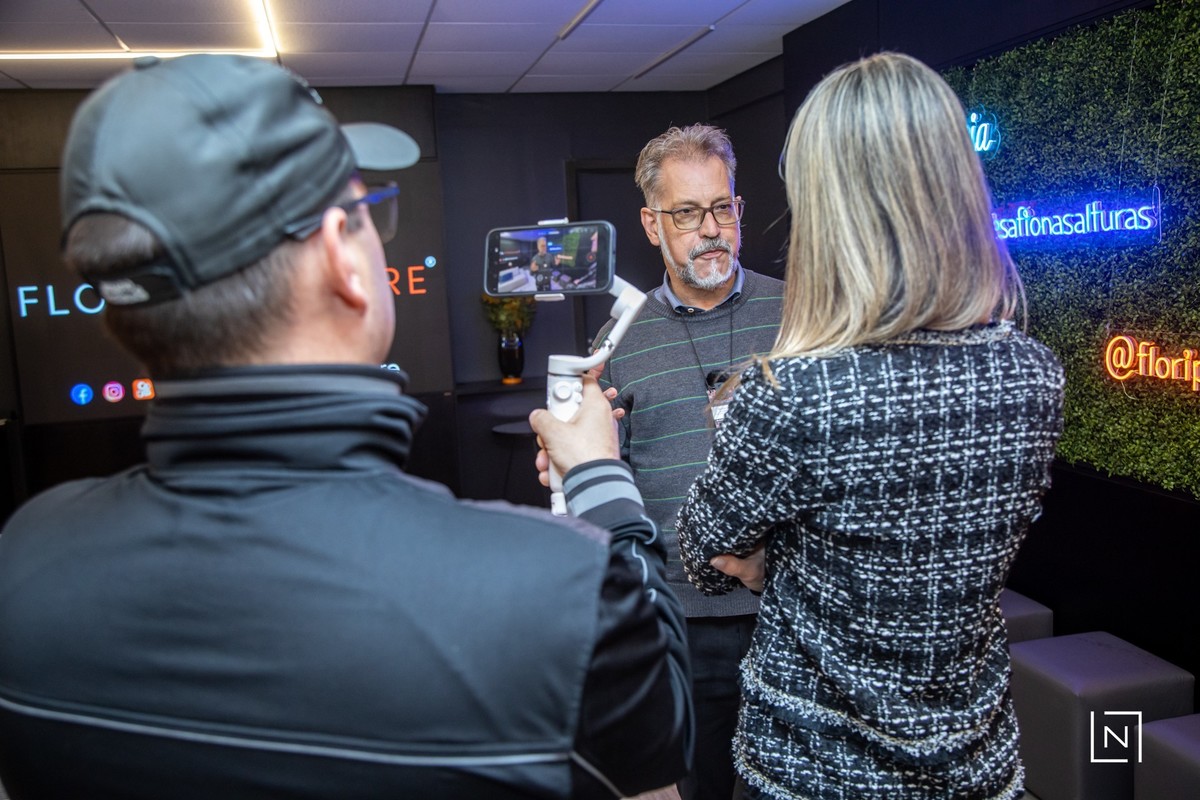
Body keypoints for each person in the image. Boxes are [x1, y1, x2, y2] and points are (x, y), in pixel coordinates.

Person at [0, 54, 691, 800]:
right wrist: (601, 481)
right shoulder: (553, 588)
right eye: (369, 212)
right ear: (342, 257)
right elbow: (659, 743)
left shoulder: (24, 557)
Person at [674, 53, 1066, 799]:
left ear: (829, 209)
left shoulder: (793, 393)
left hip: (812, 773)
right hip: (974, 764)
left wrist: (781, 561)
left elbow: (705, 553)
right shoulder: (1032, 373)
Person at [595, 124, 784, 800]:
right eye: (686, 213)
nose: (710, 229)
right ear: (652, 225)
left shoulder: (802, 312)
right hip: (680, 621)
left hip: (791, 613)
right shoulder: (618, 339)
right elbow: (606, 477)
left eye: (722, 208)